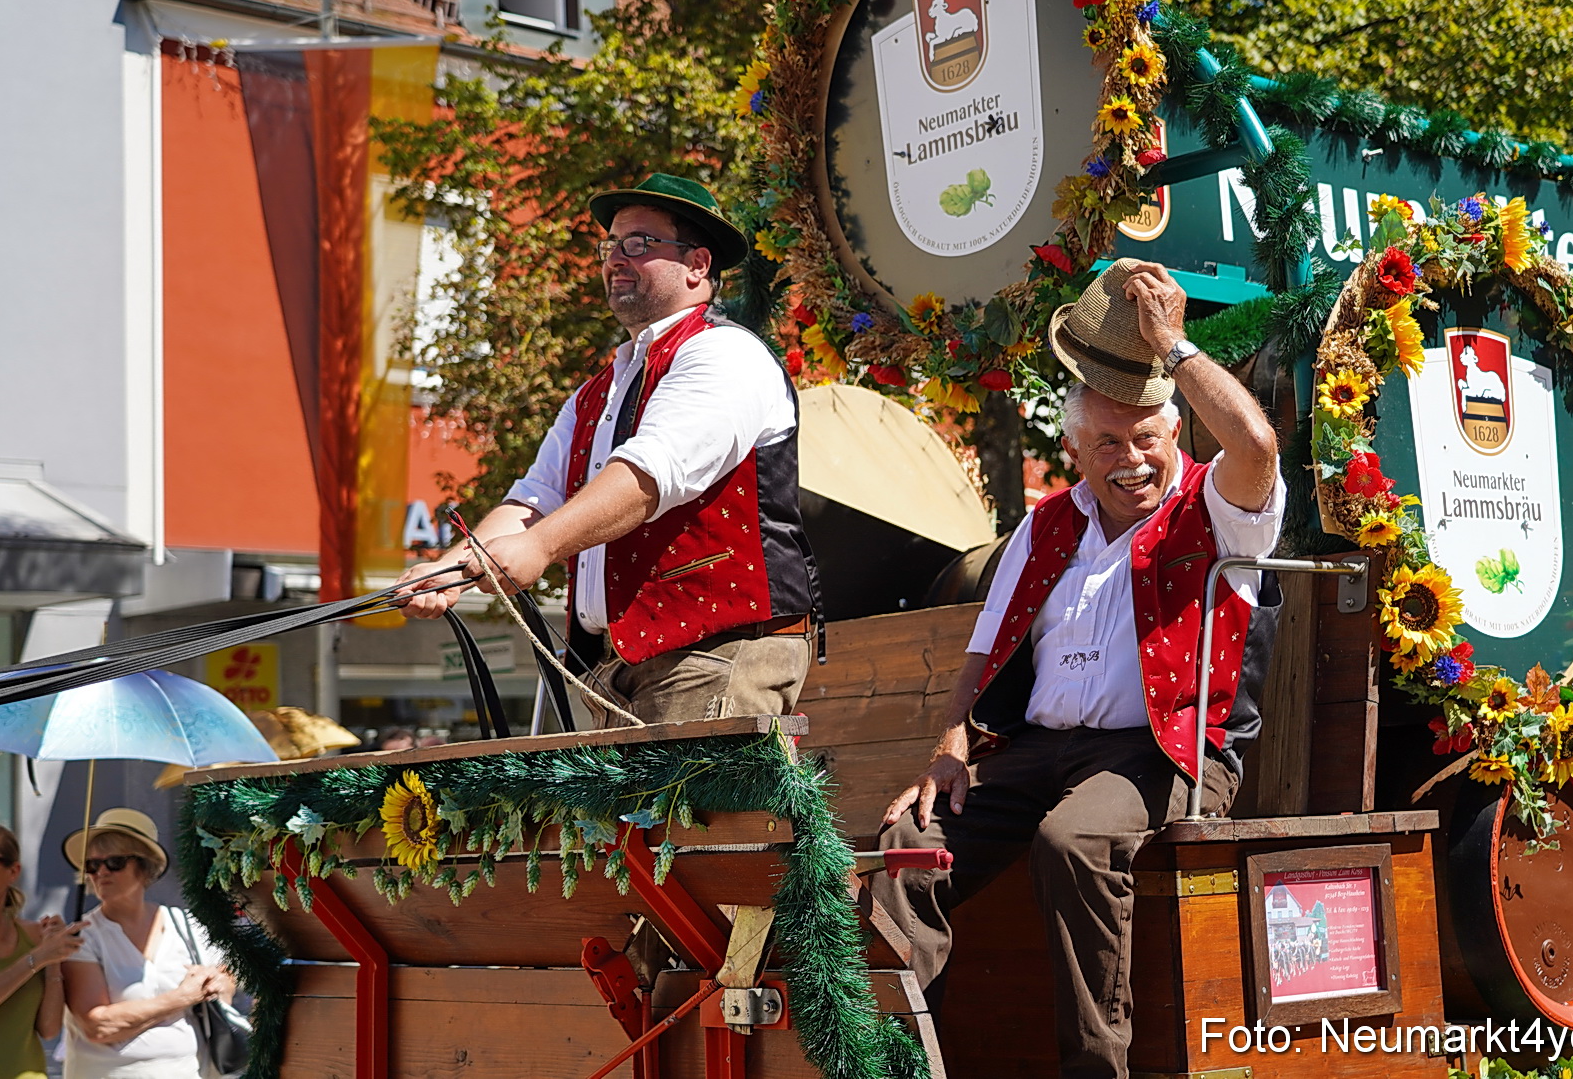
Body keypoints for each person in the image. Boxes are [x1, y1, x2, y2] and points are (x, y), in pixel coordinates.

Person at [875, 258, 1285, 1079]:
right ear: (1073, 447)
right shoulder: (1045, 525)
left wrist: (1171, 342)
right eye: (1106, 441)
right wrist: (950, 744)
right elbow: (984, 653)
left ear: (1176, 432)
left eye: (1145, 437)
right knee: (907, 844)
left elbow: (1259, 441)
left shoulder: (1220, 505)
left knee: (1072, 839)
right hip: (1033, 752)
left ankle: (1098, 1071)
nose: (1129, 457)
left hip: (1167, 751)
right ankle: (897, 1064)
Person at [396, 173, 821, 725]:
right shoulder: (598, 390)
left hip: (716, 654)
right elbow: (534, 499)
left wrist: (541, 547)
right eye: (611, 245)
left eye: (639, 244)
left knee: (687, 816)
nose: (615, 258)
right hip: (620, 665)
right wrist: (450, 568)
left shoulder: (726, 354)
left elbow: (649, 476)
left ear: (698, 265)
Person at [60, 809, 235, 1079]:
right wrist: (183, 997)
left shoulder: (185, 924)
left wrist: (221, 984)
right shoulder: (82, 935)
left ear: (144, 867)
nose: (101, 872)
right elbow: (98, 1025)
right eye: (92, 865)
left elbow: (228, 971)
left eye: (114, 862)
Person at [0, 823, 85, 1079]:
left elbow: (49, 1029)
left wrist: (52, 959)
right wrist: (37, 958)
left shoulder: (35, 937)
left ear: (13, 870)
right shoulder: (35, 950)